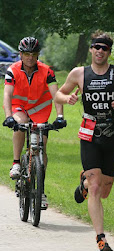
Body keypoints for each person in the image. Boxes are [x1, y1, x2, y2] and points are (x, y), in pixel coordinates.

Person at [55, 30, 114, 251]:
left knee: (103, 191)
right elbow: (59, 95)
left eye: (104, 48)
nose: (100, 51)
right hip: (90, 134)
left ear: (109, 52)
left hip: (112, 135)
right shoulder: (79, 74)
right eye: (97, 47)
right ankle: (101, 240)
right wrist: (68, 99)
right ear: (91, 49)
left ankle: (83, 184)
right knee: (96, 187)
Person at [2, 36, 66, 209]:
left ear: (38, 54)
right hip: (19, 107)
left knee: (42, 147)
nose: (30, 57)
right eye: (26, 54)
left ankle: (41, 190)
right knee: (20, 124)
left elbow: (56, 95)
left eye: (34, 53)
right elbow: (7, 94)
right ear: (21, 54)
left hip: (40, 110)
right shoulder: (12, 70)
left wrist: (60, 117)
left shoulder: (47, 71)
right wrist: (9, 116)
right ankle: (16, 163)